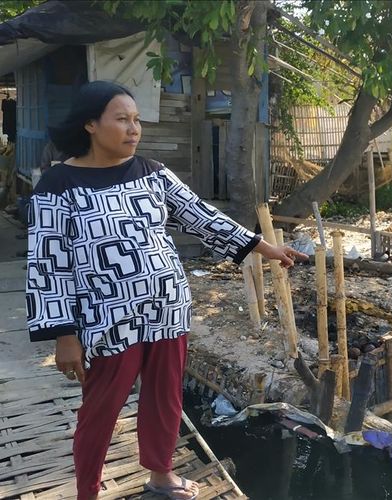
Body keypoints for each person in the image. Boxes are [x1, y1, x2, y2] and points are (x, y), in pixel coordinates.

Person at [25, 81, 307, 500]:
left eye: (136, 120)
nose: (133, 129)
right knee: (100, 410)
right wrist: (64, 336)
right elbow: (48, 266)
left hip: (167, 309)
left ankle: (160, 476)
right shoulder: (57, 186)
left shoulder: (152, 172)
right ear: (89, 124)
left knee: (164, 398)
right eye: (122, 119)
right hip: (108, 321)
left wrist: (262, 246)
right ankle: (87, 491)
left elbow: (202, 217)